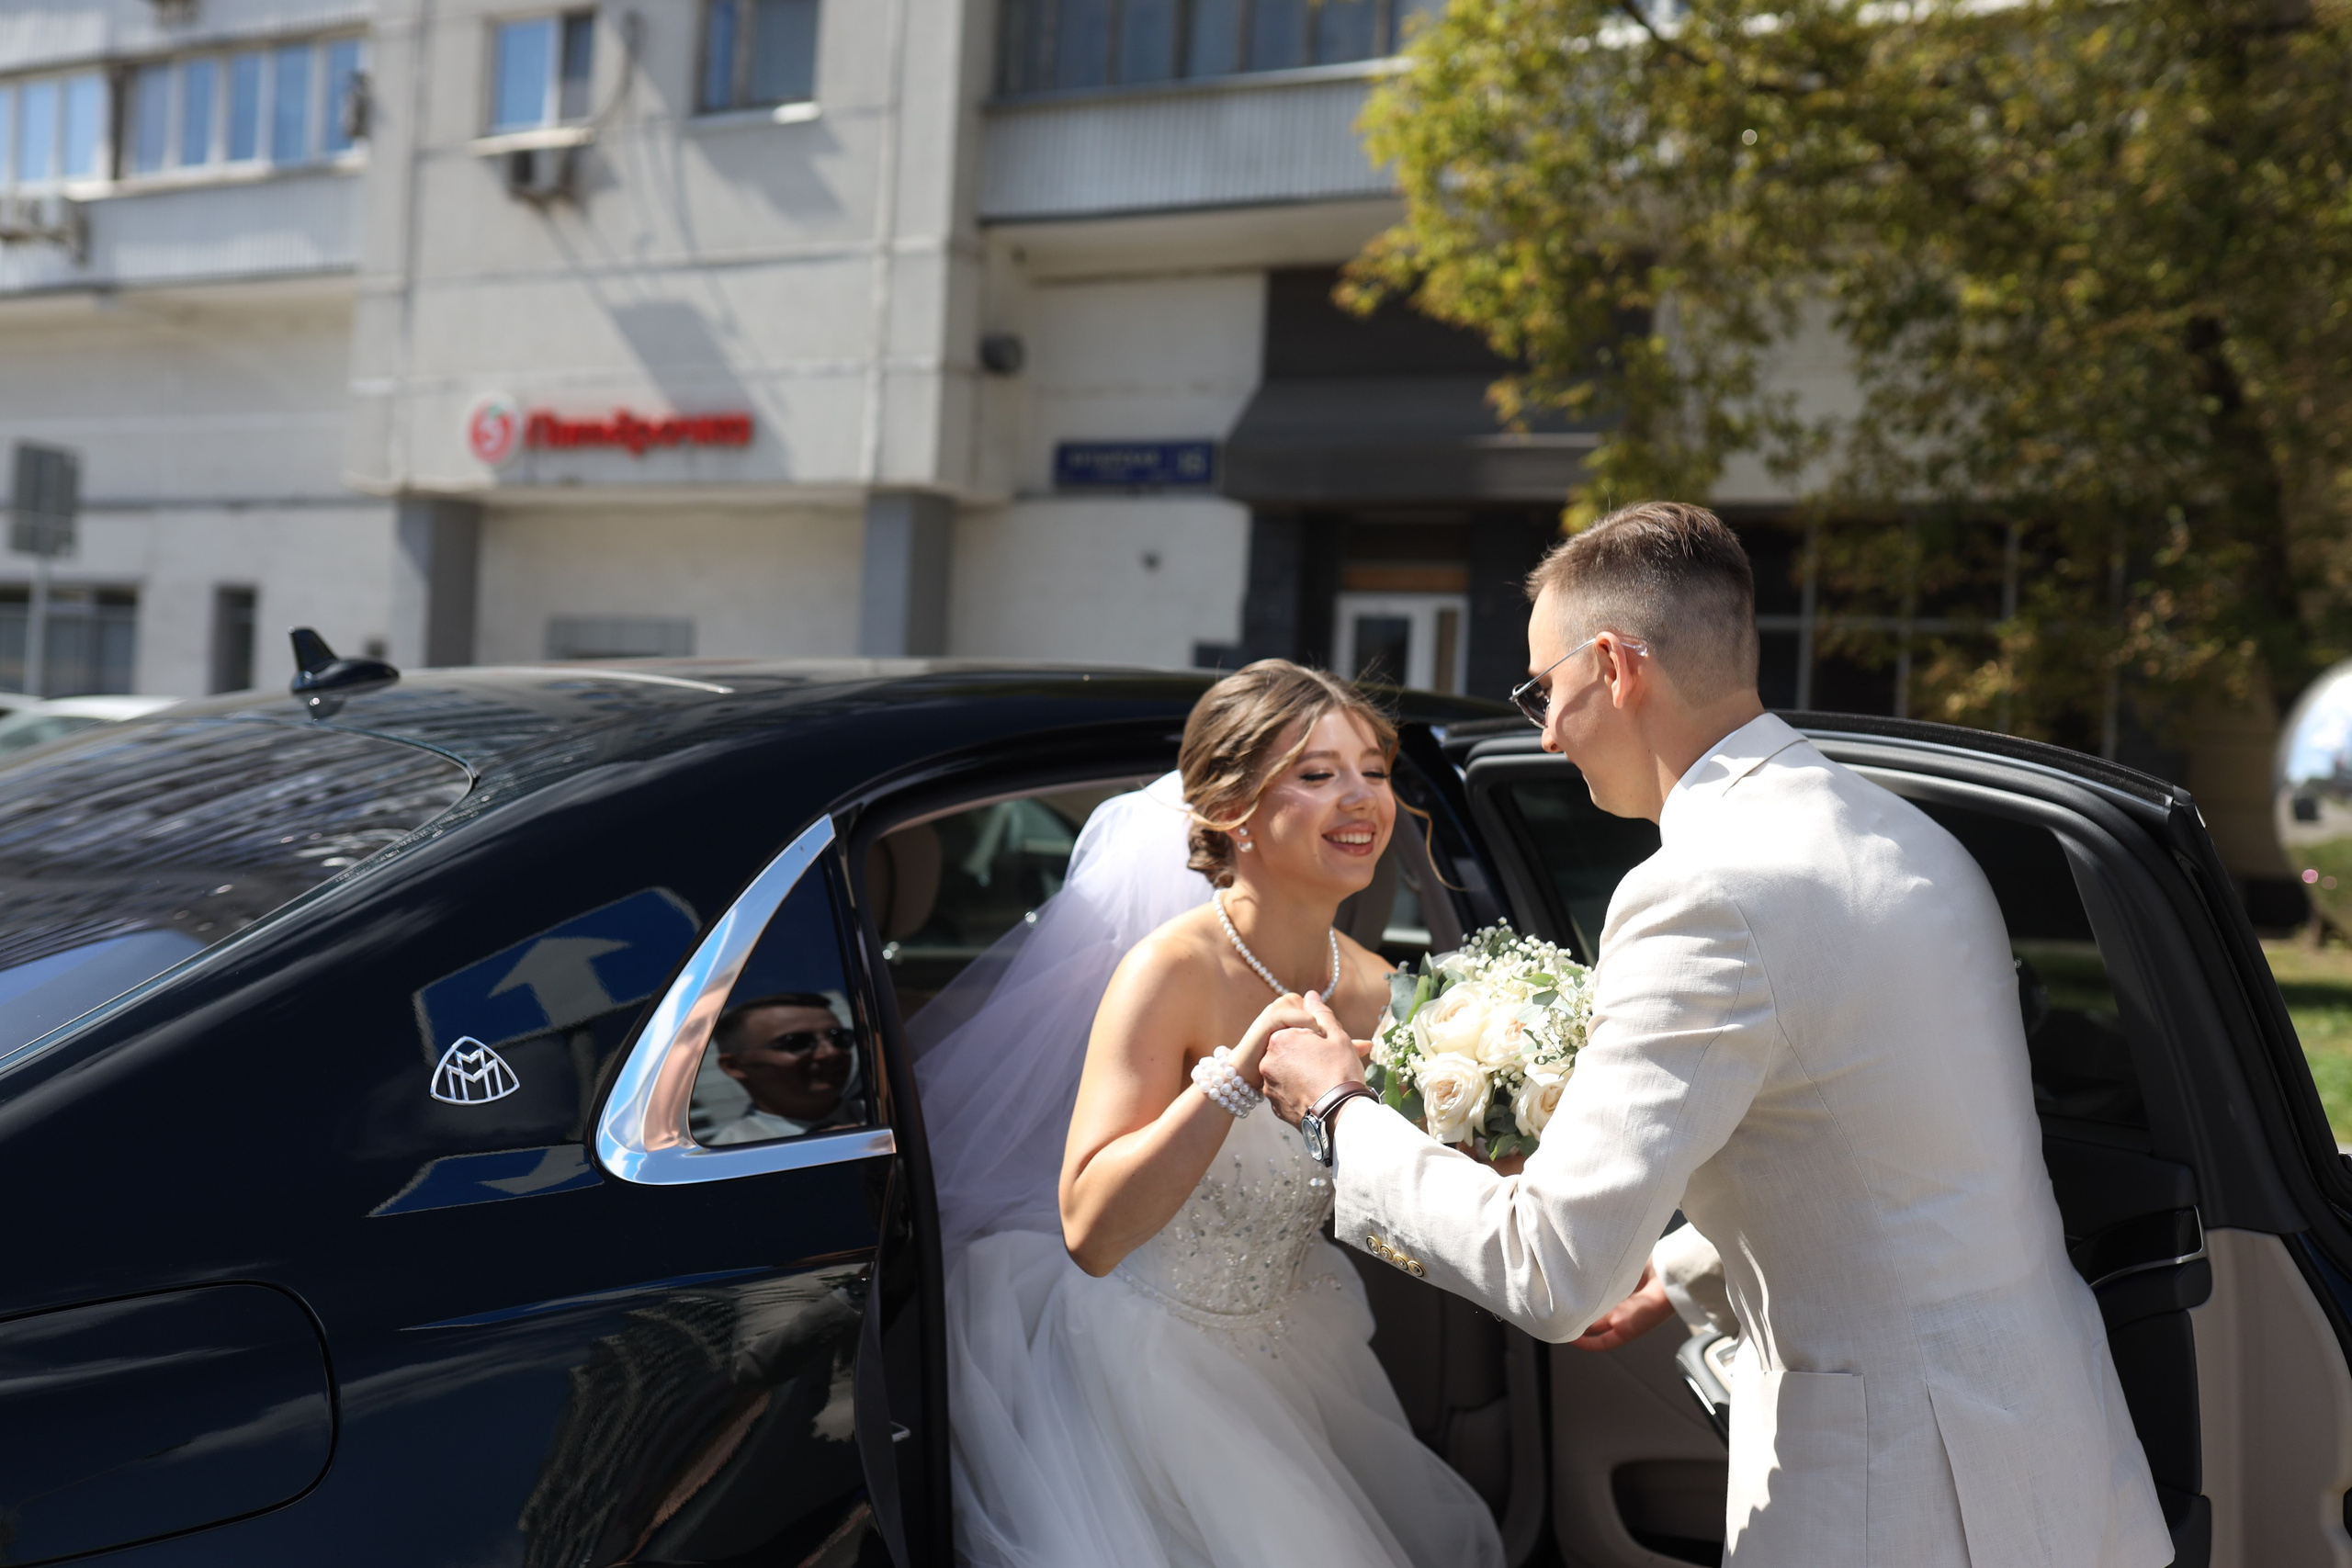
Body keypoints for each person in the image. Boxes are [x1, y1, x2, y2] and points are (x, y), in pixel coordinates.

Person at [1261, 502, 2171, 1567]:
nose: (1544, 732)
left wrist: (1340, 1112)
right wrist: (1687, 1267)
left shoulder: (1700, 891)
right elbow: (1901, 1143)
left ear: (1611, 665)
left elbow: (1552, 1271)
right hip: (2053, 1447)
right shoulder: (1905, 833)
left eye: (1542, 691)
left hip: (1897, 1498)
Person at [911, 662, 1503, 1568]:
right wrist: (1231, 1080)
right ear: (1231, 809)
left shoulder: (1382, 990)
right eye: (1316, 774)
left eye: (1373, 771)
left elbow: (1392, 1204)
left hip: (1304, 1349)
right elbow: (1092, 1233)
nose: (1360, 798)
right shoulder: (1170, 972)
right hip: (1144, 1365)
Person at [702, 992, 861, 1145]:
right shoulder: (724, 1162)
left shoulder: (883, 1118)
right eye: (797, 1043)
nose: (831, 1052)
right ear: (734, 1066)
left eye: (839, 1038)